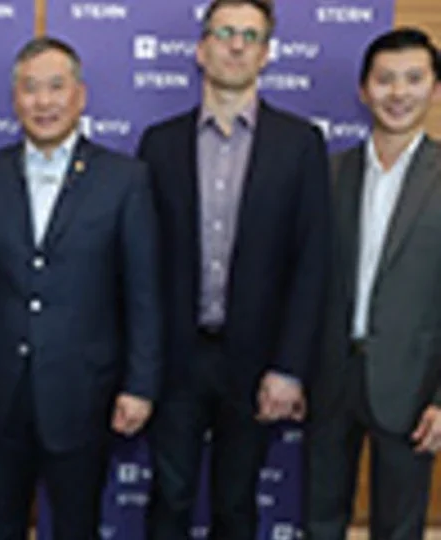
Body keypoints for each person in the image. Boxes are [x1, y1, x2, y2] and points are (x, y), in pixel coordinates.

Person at [0, 36, 162, 539]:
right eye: (30, 89)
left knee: (77, 527)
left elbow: (143, 293)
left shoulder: (124, 180)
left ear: (80, 96)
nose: (44, 102)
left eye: (56, 87)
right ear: (15, 98)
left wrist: (140, 384)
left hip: (85, 393)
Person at [135, 0, 331, 537]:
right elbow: (141, 264)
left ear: (266, 54)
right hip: (176, 358)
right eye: (224, 32)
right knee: (169, 499)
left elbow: (313, 263)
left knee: (236, 506)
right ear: (202, 49)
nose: (237, 45)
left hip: (256, 361)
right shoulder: (159, 144)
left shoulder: (301, 144)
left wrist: (289, 367)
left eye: (250, 35)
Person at [304, 28, 441, 540]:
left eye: (413, 79)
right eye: (385, 80)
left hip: (412, 386)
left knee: (399, 528)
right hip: (330, 378)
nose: (398, 93)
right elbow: (304, 283)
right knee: (320, 520)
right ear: (363, 90)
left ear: (435, 90)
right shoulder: (328, 172)